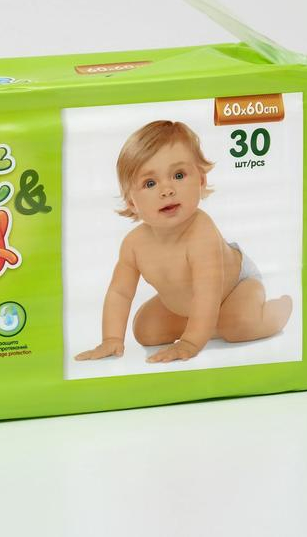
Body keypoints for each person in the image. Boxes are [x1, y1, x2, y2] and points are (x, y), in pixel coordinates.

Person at [75, 120, 292, 364]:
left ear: (201, 181)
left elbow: (207, 294)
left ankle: (277, 310)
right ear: (131, 203)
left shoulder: (201, 232)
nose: (167, 190)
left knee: (239, 325)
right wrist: (111, 339)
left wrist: (190, 343)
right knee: (146, 331)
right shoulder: (134, 245)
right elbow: (120, 293)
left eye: (178, 175)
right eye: (150, 183)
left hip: (235, 288)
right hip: (187, 304)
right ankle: (210, 324)